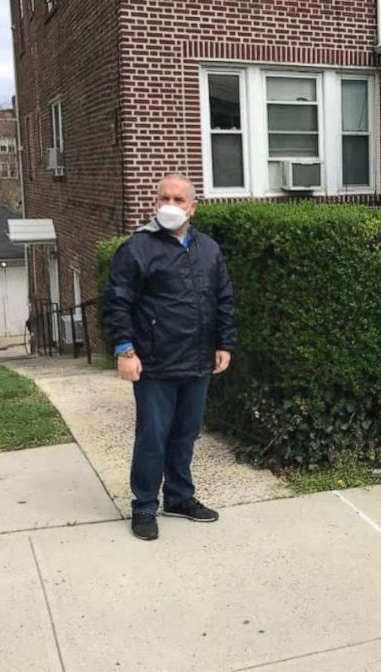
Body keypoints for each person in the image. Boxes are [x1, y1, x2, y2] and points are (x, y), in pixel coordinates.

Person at [103, 174, 238, 540]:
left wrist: (224, 344)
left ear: (192, 207)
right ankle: (144, 506)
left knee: (185, 435)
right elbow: (117, 303)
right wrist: (125, 350)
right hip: (155, 363)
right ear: (155, 202)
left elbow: (222, 299)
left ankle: (179, 498)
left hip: (197, 363)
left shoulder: (208, 249)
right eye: (165, 197)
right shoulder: (137, 248)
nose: (171, 205)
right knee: (153, 436)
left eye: (179, 200)